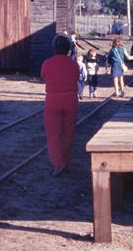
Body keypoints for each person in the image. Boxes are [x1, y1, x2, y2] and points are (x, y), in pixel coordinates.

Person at [41, 34, 80, 177]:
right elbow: (76, 77)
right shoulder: (74, 64)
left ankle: (58, 164)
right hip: (70, 98)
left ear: (54, 48)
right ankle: (66, 162)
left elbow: (44, 78)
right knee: (68, 132)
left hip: (53, 98)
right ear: (68, 48)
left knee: (53, 133)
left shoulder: (47, 63)